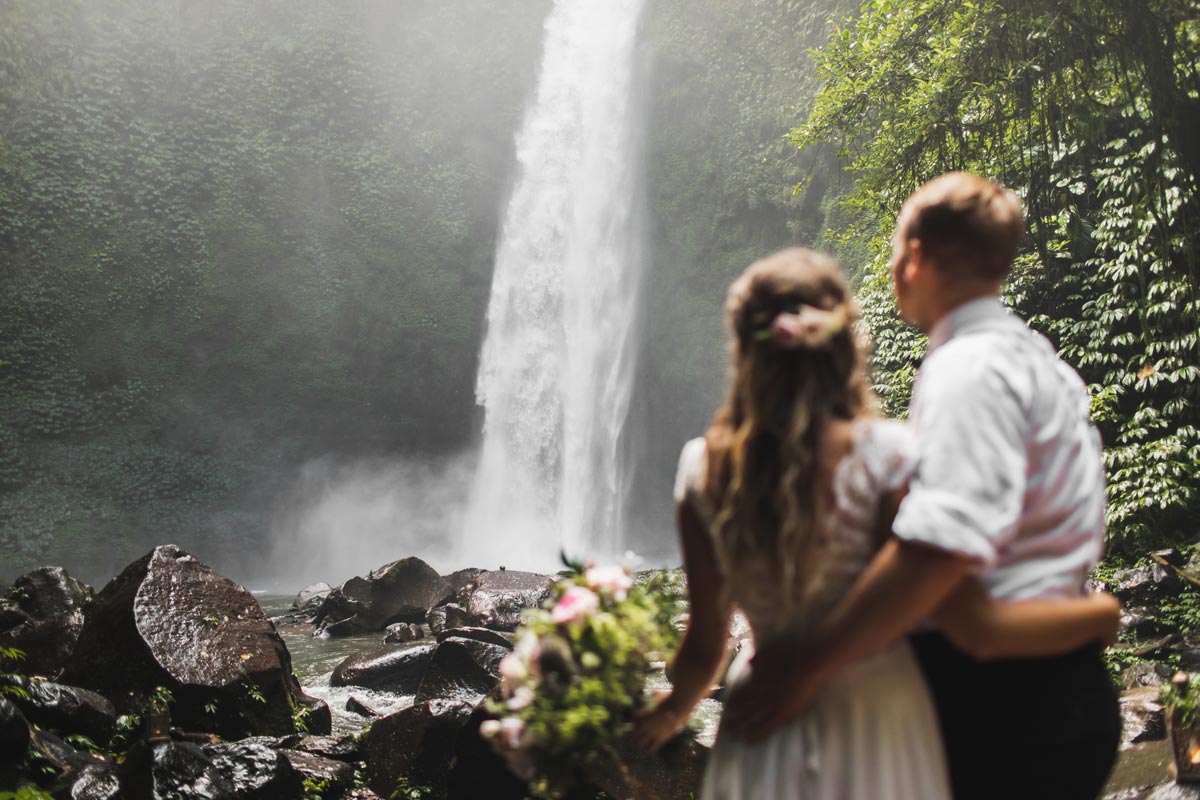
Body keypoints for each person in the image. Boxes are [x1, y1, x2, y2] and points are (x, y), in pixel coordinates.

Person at [631, 245, 1120, 800]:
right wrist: (1093, 615)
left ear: (744, 347)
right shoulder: (889, 455)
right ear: (843, 343)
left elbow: (703, 648)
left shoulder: (702, 466)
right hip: (879, 710)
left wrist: (665, 715)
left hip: (759, 710)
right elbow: (956, 608)